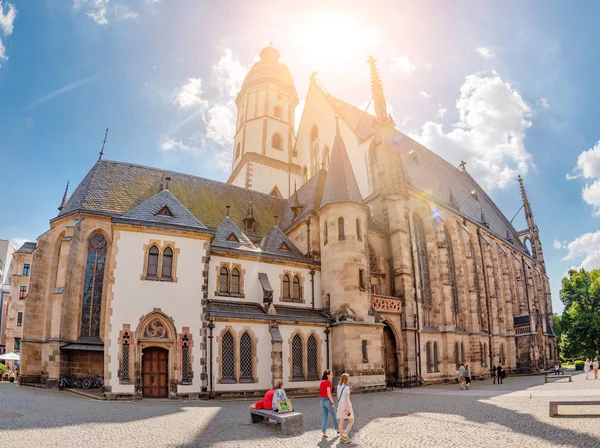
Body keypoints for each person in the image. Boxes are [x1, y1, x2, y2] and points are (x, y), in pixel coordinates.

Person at [320, 370, 339, 439]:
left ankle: (324, 433)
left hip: (322, 401)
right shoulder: (328, 382)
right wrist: (332, 402)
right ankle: (338, 430)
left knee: (324, 417)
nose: (332, 375)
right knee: (334, 415)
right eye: (331, 374)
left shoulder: (321, 382)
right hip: (328, 401)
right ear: (327, 375)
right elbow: (329, 393)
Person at [337, 373, 354, 443]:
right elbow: (346, 400)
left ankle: (341, 437)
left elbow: (338, 397)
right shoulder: (346, 388)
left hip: (340, 404)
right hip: (346, 405)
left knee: (341, 421)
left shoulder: (338, 386)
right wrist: (347, 410)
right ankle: (345, 435)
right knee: (351, 420)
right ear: (347, 379)